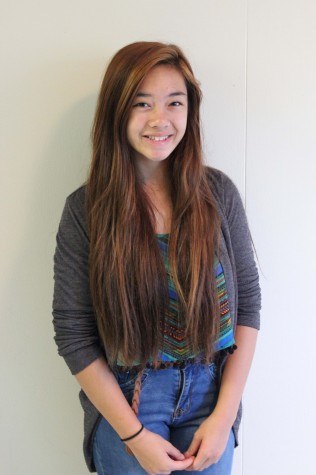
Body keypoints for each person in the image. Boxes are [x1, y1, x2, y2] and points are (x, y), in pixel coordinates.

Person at [53, 41, 261, 475]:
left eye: (174, 102)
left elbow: (250, 306)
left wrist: (224, 417)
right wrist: (133, 436)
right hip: (128, 399)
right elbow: (73, 333)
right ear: (117, 111)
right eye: (141, 103)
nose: (159, 119)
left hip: (211, 396)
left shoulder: (218, 194)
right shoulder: (86, 210)